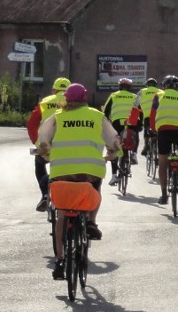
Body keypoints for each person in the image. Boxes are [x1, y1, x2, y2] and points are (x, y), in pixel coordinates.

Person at [36, 83, 122, 280]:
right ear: (85, 99)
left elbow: (43, 137)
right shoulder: (96, 116)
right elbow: (113, 139)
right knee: (95, 189)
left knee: (62, 215)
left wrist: (45, 150)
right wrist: (114, 151)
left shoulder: (57, 116)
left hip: (62, 172)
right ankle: (91, 222)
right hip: (90, 171)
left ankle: (59, 261)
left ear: (66, 99)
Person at [148, 75, 178, 205]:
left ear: (164, 86)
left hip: (164, 129)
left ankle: (164, 195)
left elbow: (153, 113)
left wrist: (153, 128)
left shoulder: (158, 96)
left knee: (162, 161)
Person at [26, 77, 70, 212]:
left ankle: (45, 195)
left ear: (53, 90)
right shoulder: (74, 103)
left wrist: (38, 143)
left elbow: (32, 124)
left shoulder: (45, 102)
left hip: (47, 145)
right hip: (68, 145)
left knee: (39, 164)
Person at [102, 78, 137, 185]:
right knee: (134, 135)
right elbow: (140, 112)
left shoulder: (114, 95)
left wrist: (107, 124)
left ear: (120, 87)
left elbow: (105, 112)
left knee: (115, 148)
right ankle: (134, 154)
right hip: (131, 122)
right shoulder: (135, 97)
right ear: (130, 88)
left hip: (117, 123)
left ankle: (113, 176)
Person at [134, 78, 161, 157]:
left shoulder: (142, 91)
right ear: (155, 85)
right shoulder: (160, 92)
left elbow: (135, 104)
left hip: (146, 116)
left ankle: (146, 145)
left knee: (147, 131)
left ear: (147, 85)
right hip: (158, 115)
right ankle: (157, 144)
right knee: (158, 131)